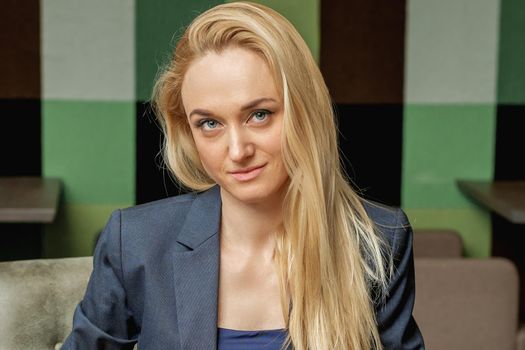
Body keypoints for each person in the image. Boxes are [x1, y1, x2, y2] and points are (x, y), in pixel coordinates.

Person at [62, 2, 424, 349]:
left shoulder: (377, 241)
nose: (237, 151)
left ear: (304, 111)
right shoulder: (137, 243)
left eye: (259, 115)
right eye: (210, 123)